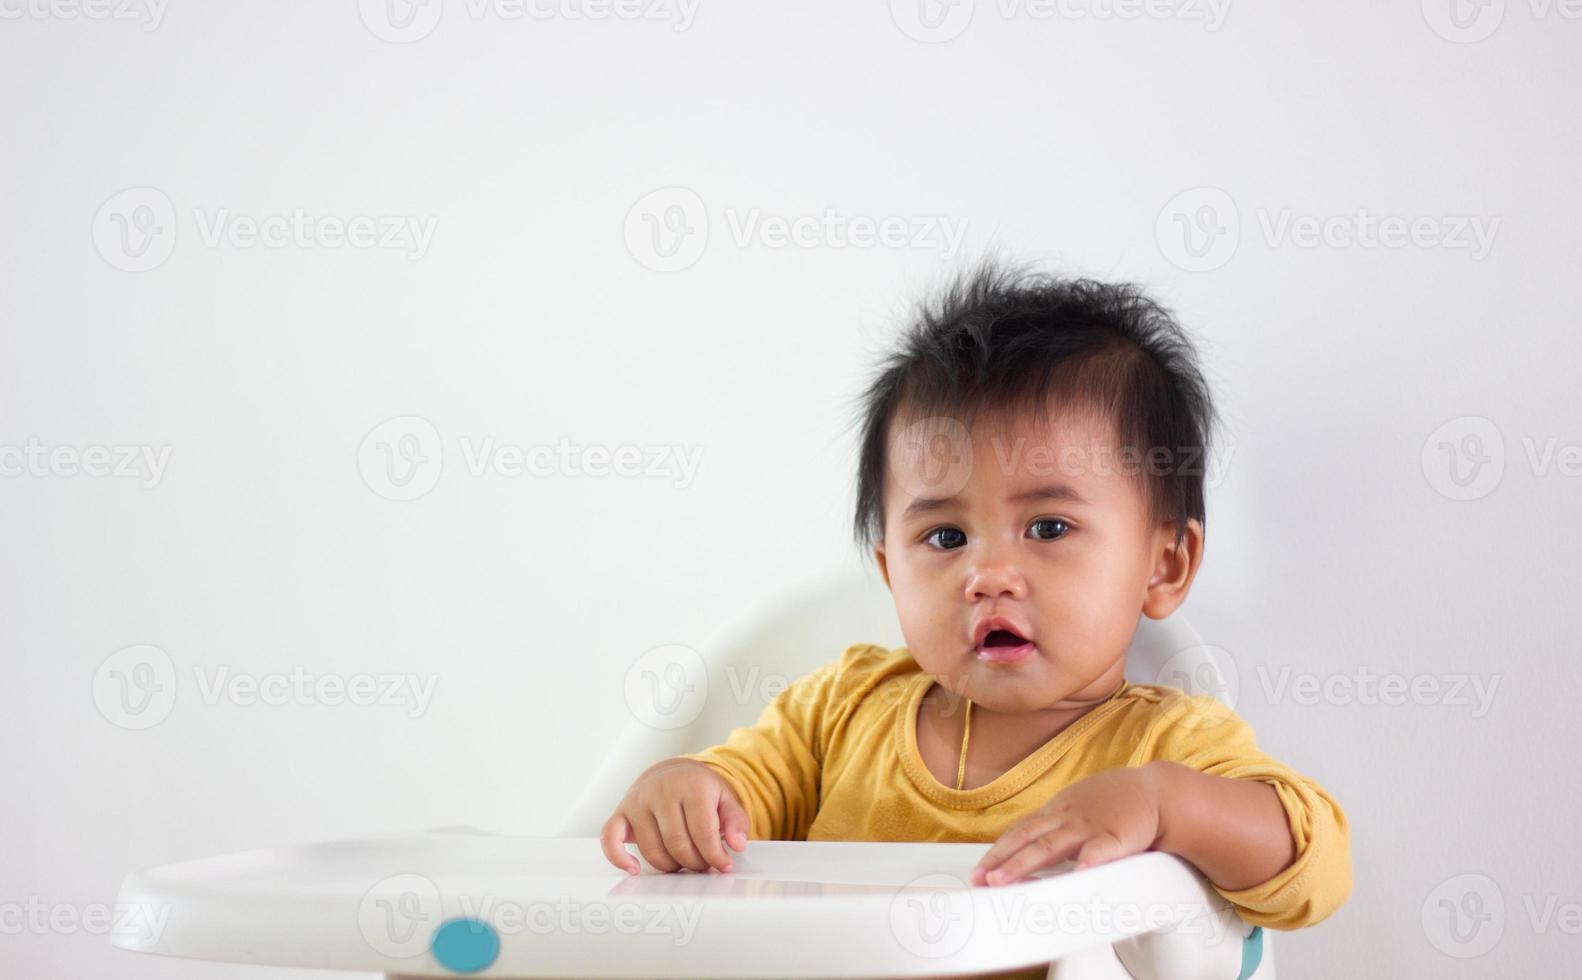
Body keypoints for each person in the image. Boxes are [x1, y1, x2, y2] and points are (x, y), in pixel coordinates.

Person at [600, 257, 1352, 975]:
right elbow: (740, 798)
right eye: (946, 537)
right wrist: (691, 794)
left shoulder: (1165, 744)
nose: (987, 575)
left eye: (1049, 528)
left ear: (1165, 565)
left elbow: (1317, 863)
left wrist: (1165, 805)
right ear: (892, 572)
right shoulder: (837, 713)